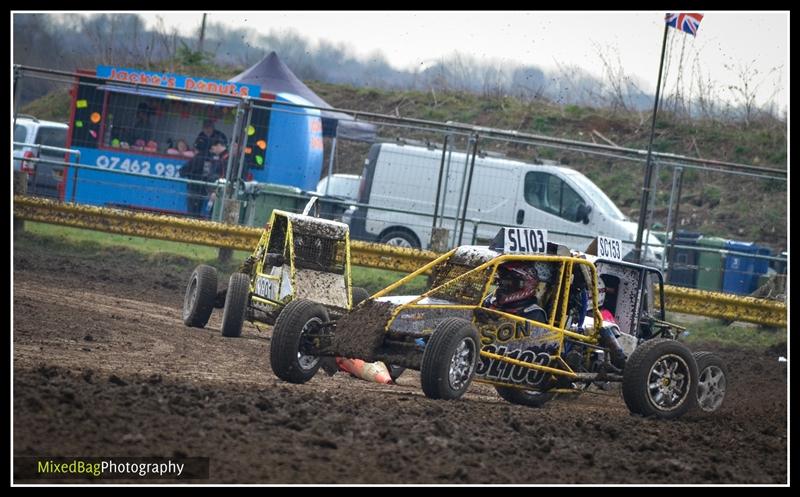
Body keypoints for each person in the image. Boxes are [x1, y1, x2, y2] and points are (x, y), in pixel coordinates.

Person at [482, 262, 552, 323]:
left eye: (510, 281)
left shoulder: (534, 313)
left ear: (525, 284)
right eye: (501, 279)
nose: (502, 283)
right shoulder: (490, 302)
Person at [179, 139, 227, 218]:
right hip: (205, 189)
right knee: (201, 212)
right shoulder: (214, 158)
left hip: (194, 188)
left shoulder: (198, 158)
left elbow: (183, 171)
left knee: (192, 213)